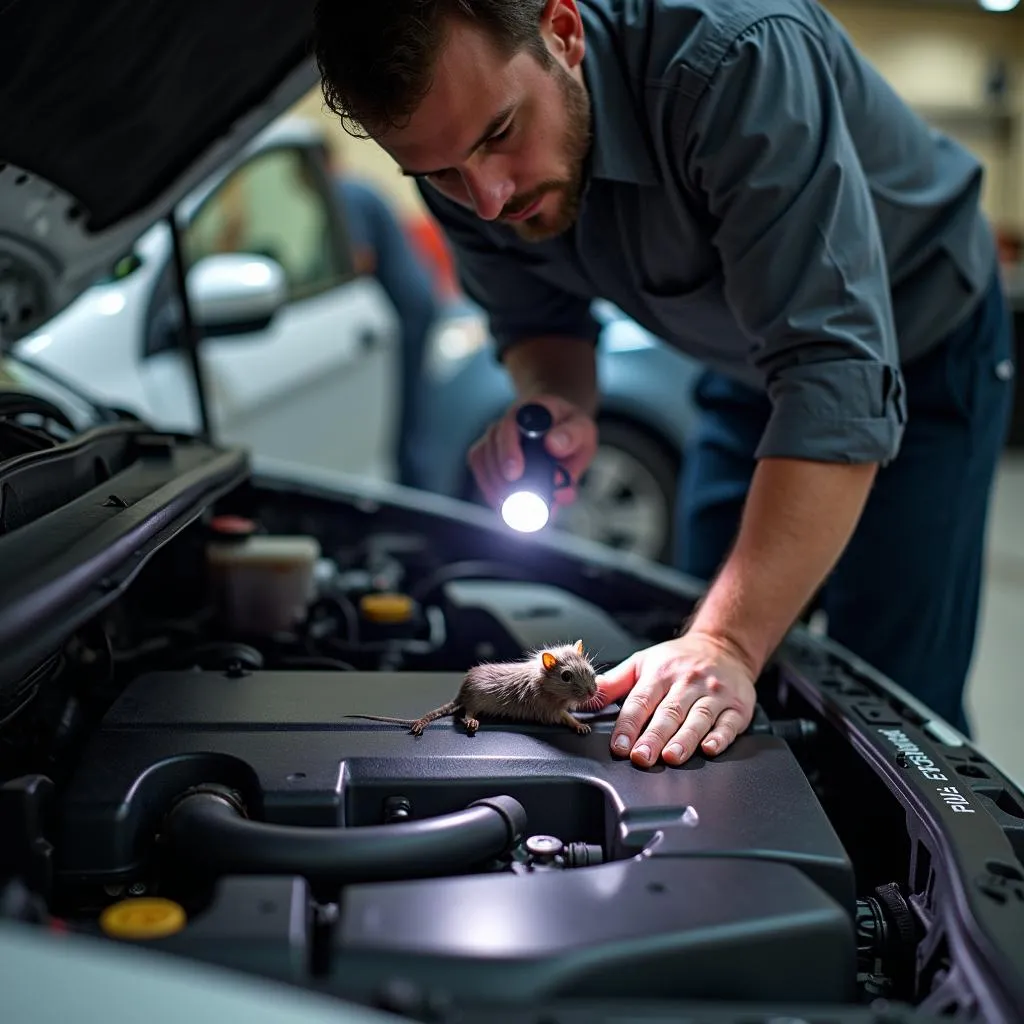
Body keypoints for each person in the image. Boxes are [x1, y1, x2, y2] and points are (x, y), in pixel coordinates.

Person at [311, 0, 1016, 765]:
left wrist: (729, 642)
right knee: (686, 665)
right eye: (440, 173)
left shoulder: (737, 61)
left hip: (920, 346)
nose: (486, 199)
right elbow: (540, 319)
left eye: (501, 135)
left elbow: (832, 377)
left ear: (563, 33)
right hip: (744, 362)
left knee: (892, 699)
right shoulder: (461, 146)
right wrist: (560, 401)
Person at [319, 143, 442, 490]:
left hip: (405, 310)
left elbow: (360, 260)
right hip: (414, 299)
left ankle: (416, 493)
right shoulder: (355, 188)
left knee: (407, 414)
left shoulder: (342, 194)